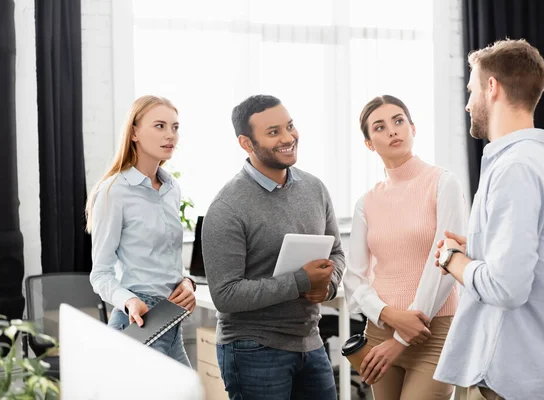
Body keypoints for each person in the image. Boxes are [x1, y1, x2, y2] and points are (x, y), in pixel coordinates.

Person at [433, 39, 544, 400]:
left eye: (471, 90)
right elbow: (542, 263)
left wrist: (452, 260)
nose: (467, 103)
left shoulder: (513, 169)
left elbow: (506, 287)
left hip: (505, 378)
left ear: (492, 87)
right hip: (542, 376)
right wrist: (476, 250)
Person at [201, 94, 345, 400]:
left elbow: (336, 252)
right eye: (273, 132)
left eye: (289, 126)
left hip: (310, 340)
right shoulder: (227, 207)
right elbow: (225, 295)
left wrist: (327, 287)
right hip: (253, 347)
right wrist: (300, 281)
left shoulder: (315, 188)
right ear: (246, 143)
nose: (288, 138)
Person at [343, 95, 466, 399]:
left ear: (413, 127)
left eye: (399, 121)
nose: (393, 131)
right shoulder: (366, 202)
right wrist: (388, 316)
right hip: (379, 331)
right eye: (380, 127)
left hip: (433, 333)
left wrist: (401, 336)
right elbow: (354, 277)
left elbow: (447, 263)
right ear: (369, 143)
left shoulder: (443, 183)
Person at [87, 95, 196, 366]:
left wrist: (186, 283)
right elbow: (100, 274)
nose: (170, 135)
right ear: (134, 132)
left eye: (175, 127)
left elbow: (164, 259)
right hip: (137, 322)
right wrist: (130, 300)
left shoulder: (172, 188)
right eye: (159, 126)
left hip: (171, 321)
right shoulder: (114, 191)